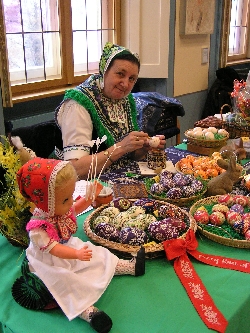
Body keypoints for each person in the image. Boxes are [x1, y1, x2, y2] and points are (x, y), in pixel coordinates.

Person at [12, 157, 145, 333]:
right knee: (66, 283)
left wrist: (90, 197)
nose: (70, 204)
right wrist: (76, 255)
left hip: (69, 248)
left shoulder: (58, 210)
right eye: (65, 199)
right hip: (49, 263)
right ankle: (89, 313)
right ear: (44, 201)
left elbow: (75, 207)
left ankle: (128, 267)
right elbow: (55, 250)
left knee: (97, 254)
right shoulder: (38, 230)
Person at [55, 42, 166, 179]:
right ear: (104, 71)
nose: (125, 84)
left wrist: (142, 149)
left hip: (120, 175)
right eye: (120, 74)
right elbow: (75, 170)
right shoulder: (78, 104)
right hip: (89, 185)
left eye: (132, 78)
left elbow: (127, 155)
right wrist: (121, 147)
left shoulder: (125, 100)